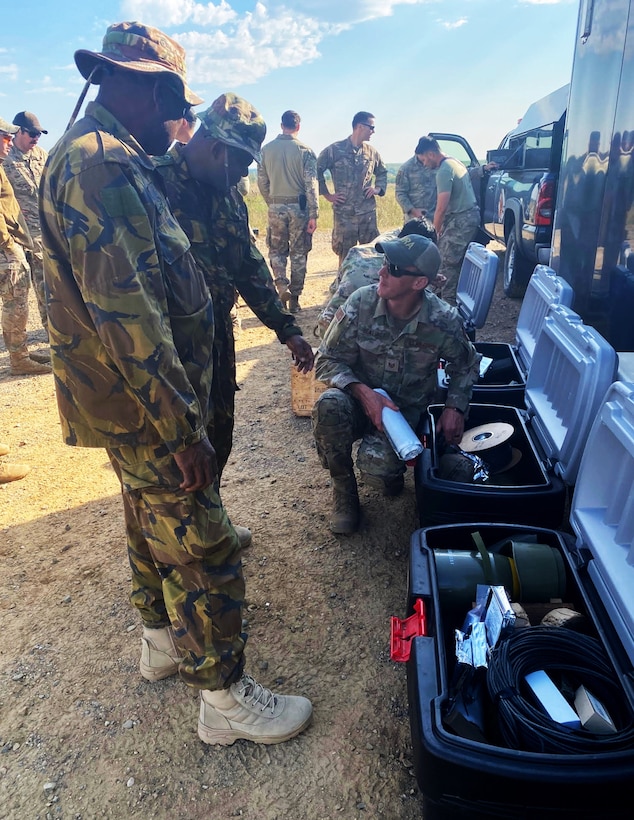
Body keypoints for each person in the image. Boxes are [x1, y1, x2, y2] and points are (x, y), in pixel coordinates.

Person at [40, 21, 312, 747]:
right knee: (203, 543)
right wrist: (180, 427)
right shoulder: (107, 168)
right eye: (169, 104)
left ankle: (161, 638)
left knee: (147, 514)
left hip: (152, 390)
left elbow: (229, 275)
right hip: (148, 401)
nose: (173, 120)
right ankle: (224, 700)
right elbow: (129, 316)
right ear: (143, 87)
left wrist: (283, 326)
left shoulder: (113, 159)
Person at [156, 93, 315, 547]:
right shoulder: (156, 184)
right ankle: (181, 542)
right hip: (168, 347)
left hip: (217, 338)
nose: (247, 173)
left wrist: (286, 328)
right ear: (216, 147)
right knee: (175, 449)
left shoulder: (228, 198)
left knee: (217, 435)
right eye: (243, 162)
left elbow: (248, 265)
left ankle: (208, 523)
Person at [312, 234, 480, 535]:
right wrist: (363, 394)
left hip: (404, 413)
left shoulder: (441, 320)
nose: (382, 272)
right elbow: (326, 360)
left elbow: (467, 363)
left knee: (380, 473)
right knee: (328, 407)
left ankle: (398, 472)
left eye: (395, 268)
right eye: (385, 263)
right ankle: (344, 492)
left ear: (419, 283)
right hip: (357, 402)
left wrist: (455, 407)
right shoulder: (361, 303)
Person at [315, 217, 438, 338]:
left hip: (328, 322)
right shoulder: (402, 272)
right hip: (346, 332)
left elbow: (335, 289)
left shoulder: (360, 251)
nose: (381, 272)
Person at [0, 117, 51, 376]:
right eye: (31, 133)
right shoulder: (4, 162)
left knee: (42, 292)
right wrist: (8, 242)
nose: (35, 138)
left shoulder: (41, 156)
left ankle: (38, 346)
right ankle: (19, 358)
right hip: (11, 242)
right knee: (16, 301)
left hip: (37, 237)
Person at [257, 110, 318, 313]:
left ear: (281, 125)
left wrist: (271, 202)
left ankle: (281, 286)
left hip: (275, 205)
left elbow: (262, 182)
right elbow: (311, 185)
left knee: (276, 250)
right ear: (298, 127)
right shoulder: (305, 151)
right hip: (298, 208)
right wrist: (313, 214)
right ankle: (295, 299)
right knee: (299, 253)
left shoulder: (266, 150)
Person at [317, 112, 388, 276]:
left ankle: (370, 291)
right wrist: (328, 195)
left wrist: (377, 189)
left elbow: (382, 172)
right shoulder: (334, 150)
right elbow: (316, 171)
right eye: (371, 127)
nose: (373, 131)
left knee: (371, 254)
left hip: (367, 214)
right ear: (360, 126)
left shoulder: (371, 152)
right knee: (345, 255)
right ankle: (343, 293)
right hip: (344, 214)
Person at [416, 135, 481, 305]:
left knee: (447, 263)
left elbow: (441, 208)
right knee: (449, 259)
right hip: (465, 218)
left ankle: (448, 305)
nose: (424, 164)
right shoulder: (455, 162)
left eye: (423, 160)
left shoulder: (444, 170)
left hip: (462, 219)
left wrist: (434, 234)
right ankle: (442, 299)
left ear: (430, 154)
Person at [395, 137, 438, 222]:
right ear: (420, 154)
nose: (426, 162)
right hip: (414, 219)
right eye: (423, 159)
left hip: (435, 217)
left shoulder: (436, 164)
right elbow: (400, 193)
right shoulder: (406, 169)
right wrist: (413, 211)